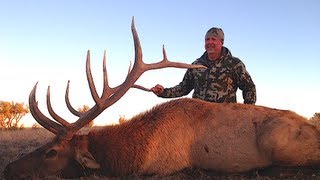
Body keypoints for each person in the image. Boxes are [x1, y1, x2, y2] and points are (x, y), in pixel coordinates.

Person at [151, 27, 256, 104]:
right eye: (207, 39)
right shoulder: (196, 65)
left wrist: (246, 113)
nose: (209, 42)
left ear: (222, 42)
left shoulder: (235, 64)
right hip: (198, 119)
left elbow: (249, 88)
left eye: (213, 39)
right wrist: (163, 92)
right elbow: (184, 87)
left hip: (224, 121)